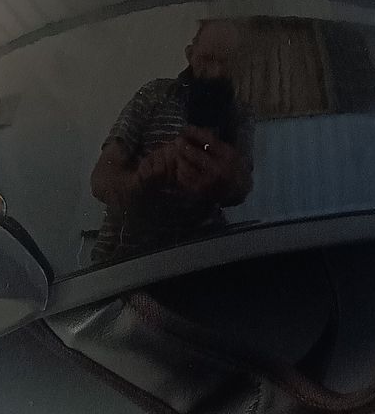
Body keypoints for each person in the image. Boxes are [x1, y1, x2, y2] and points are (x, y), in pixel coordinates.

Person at [88, 18, 254, 264]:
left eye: (226, 62)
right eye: (207, 58)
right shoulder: (154, 94)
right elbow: (101, 179)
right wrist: (141, 180)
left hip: (200, 260)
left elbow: (241, 187)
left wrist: (226, 179)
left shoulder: (240, 113)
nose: (216, 72)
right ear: (190, 54)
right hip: (125, 262)